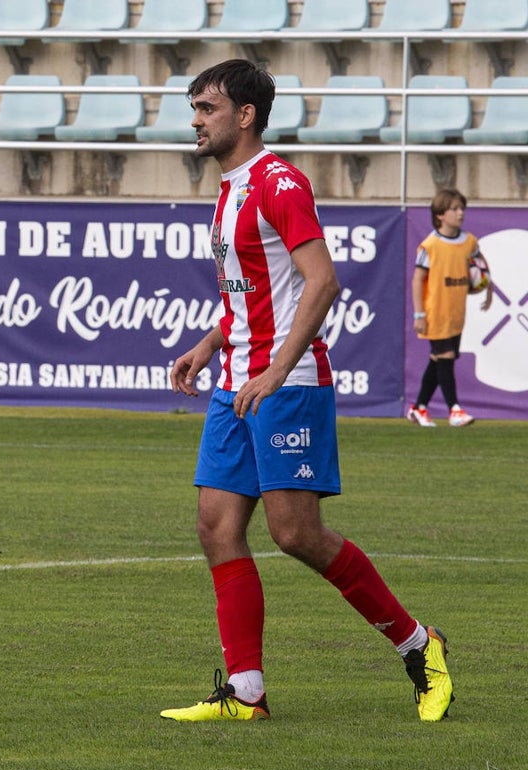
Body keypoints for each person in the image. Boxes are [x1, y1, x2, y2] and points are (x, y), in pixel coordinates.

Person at [163, 59, 453, 722]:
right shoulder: (230, 188)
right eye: (195, 109)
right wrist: (209, 346)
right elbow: (253, 294)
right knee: (217, 526)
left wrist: (273, 369)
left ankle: (420, 645)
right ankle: (246, 692)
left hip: (284, 384)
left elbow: (321, 283)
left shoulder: (279, 183)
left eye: (207, 108)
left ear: (245, 115)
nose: (196, 121)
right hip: (238, 380)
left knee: (295, 532)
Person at [407, 188, 494, 428]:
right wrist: (419, 313)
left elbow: (480, 266)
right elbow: (417, 279)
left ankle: (419, 408)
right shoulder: (431, 245)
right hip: (436, 312)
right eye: (454, 209)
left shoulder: (469, 241)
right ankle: (454, 409)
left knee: (440, 361)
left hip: (457, 312)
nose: (460, 213)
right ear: (440, 215)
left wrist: (488, 288)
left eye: (462, 208)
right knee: (444, 357)